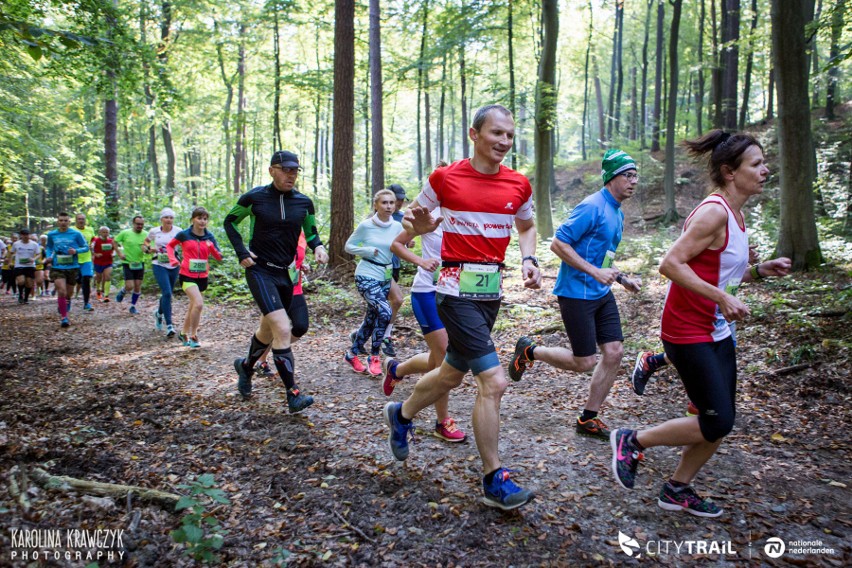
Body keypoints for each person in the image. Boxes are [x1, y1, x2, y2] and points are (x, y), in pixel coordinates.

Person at [610, 130, 792, 518]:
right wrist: (723, 298)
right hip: (687, 331)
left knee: (717, 419)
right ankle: (632, 440)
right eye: (756, 164)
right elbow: (670, 265)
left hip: (716, 331)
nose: (765, 171)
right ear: (729, 171)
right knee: (716, 419)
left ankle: (677, 489)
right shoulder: (714, 212)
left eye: (763, 163)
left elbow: (717, 271)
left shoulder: (736, 214)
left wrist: (758, 271)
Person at [383, 104, 541, 511]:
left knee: (451, 375)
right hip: (453, 290)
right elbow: (412, 221)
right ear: (474, 134)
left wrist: (528, 259)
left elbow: (526, 225)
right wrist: (420, 227)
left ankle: (401, 414)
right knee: (493, 381)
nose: (504, 142)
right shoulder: (445, 177)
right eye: (496, 134)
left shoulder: (518, 184)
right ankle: (494, 478)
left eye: (509, 135)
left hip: (491, 292)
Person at [509, 149, 643, 441]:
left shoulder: (617, 212)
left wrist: (620, 277)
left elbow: (602, 257)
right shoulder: (592, 206)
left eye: (636, 176)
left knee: (615, 352)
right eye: (628, 175)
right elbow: (558, 244)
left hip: (600, 292)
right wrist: (595, 273)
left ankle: (588, 418)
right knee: (584, 362)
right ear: (612, 178)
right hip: (576, 293)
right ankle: (530, 351)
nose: (634, 181)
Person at [224, 150, 328, 414]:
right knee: (282, 328)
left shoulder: (304, 203)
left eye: (294, 171)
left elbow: (312, 232)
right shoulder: (254, 198)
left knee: (283, 329)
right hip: (260, 271)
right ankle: (293, 394)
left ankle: (246, 366)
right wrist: (241, 253)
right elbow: (230, 222)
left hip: (287, 273)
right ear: (272, 170)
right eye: (285, 170)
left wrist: (318, 248)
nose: (290, 175)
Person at [630, 245, 760, 396]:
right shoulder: (708, 224)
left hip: (722, 315)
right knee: (708, 384)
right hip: (698, 314)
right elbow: (676, 267)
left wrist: (754, 268)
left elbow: (727, 275)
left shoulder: (735, 228)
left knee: (715, 370)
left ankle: (654, 361)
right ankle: (701, 414)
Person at [382, 211, 466, 443]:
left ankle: (396, 370)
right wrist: (421, 261)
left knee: (436, 360)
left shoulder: (471, 216)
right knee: (444, 360)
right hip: (428, 292)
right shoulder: (431, 215)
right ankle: (442, 422)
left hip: (460, 294)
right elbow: (397, 244)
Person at [343, 190, 404, 376]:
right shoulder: (366, 226)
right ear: (376, 205)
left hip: (385, 276)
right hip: (366, 274)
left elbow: (401, 244)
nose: (388, 206)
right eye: (384, 202)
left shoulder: (396, 226)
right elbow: (348, 246)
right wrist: (368, 251)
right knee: (385, 312)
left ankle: (352, 353)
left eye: (392, 203)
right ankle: (374, 356)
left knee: (371, 319)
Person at [254, 231, 311, 378]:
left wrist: (301, 264)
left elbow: (295, 257)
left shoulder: (303, 234)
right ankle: (260, 361)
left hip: (295, 288)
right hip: (274, 288)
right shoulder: (277, 227)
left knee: (301, 326)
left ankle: (279, 346)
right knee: (268, 329)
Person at [166, 207, 222, 348]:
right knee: (198, 304)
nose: (202, 221)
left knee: (193, 307)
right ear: (193, 219)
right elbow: (170, 246)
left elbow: (219, 257)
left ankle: (183, 333)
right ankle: (194, 336)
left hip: (202, 277)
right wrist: (173, 259)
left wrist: (212, 248)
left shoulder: (209, 237)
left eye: (205, 218)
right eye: (199, 218)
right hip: (186, 275)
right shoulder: (184, 235)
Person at [380, 184, 409, 357]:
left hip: (394, 266)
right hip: (380, 267)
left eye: (401, 199)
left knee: (383, 304)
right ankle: (386, 337)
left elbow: (404, 239)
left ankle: (359, 335)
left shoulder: (403, 218)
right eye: (396, 199)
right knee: (396, 300)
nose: (399, 202)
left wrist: (408, 243)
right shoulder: (377, 218)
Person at [45, 212, 89, 327]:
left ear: (69, 222)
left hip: (72, 267)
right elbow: (49, 247)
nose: (63, 223)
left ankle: (66, 302)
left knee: (69, 293)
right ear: (57, 222)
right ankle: (64, 317)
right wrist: (49, 256)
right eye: (61, 220)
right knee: (62, 291)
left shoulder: (76, 234)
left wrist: (76, 251)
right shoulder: (52, 234)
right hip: (57, 266)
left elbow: (86, 247)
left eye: (65, 221)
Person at [146, 208, 182, 337]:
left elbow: (185, 244)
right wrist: (149, 248)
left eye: (171, 218)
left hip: (174, 265)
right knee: (167, 292)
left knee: (167, 294)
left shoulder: (178, 231)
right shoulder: (154, 231)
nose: (169, 220)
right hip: (159, 264)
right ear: (161, 219)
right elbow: (146, 243)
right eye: (166, 217)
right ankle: (170, 325)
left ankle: (158, 313)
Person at [114, 215, 148, 314]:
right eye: (138, 224)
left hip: (140, 263)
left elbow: (150, 247)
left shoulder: (146, 234)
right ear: (133, 223)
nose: (140, 226)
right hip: (127, 263)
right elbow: (114, 241)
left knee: (138, 286)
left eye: (141, 224)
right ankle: (123, 291)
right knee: (130, 286)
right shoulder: (125, 233)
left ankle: (133, 306)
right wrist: (119, 253)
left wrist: (147, 249)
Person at [73, 213, 96, 311]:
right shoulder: (71, 230)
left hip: (86, 259)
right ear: (76, 220)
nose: (81, 221)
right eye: (79, 219)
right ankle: (65, 301)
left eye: (83, 219)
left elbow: (93, 239)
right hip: (74, 259)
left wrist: (93, 245)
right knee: (73, 280)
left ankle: (86, 303)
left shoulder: (90, 229)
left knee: (86, 279)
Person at [12, 229, 40, 304]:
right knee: (21, 281)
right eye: (24, 235)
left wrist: (34, 259)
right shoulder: (16, 244)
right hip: (19, 265)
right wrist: (9, 260)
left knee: (29, 283)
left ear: (29, 235)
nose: (25, 236)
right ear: (21, 235)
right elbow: (11, 252)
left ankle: (26, 298)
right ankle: (20, 294)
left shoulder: (34, 244)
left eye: (27, 235)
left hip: (30, 266)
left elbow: (38, 254)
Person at [91, 226, 116, 302]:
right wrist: (95, 254)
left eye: (107, 232)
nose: (105, 234)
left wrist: (113, 254)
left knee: (107, 276)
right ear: (100, 232)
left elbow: (115, 249)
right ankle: (98, 291)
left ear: (109, 233)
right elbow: (91, 248)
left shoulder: (111, 241)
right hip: (98, 262)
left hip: (108, 262)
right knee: (99, 278)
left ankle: (106, 295)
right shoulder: (95, 240)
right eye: (103, 232)